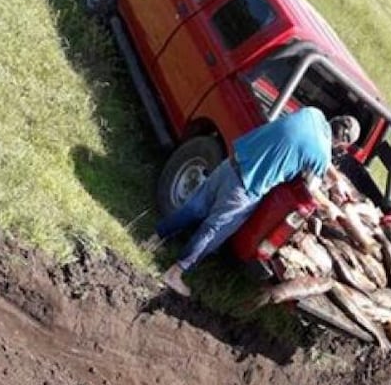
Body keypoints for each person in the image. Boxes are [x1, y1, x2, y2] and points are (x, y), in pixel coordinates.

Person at [150, 108, 361, 296]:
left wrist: (336, 179)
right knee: (212, 231)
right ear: (342, 144)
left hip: (231, 164)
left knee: (195, 207)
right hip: (246, 189)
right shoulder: (322, 156)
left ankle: (154, 238)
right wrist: (332, 208)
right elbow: (311, 192)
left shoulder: (311, 113)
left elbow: (308, 143)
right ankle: (175, 273)